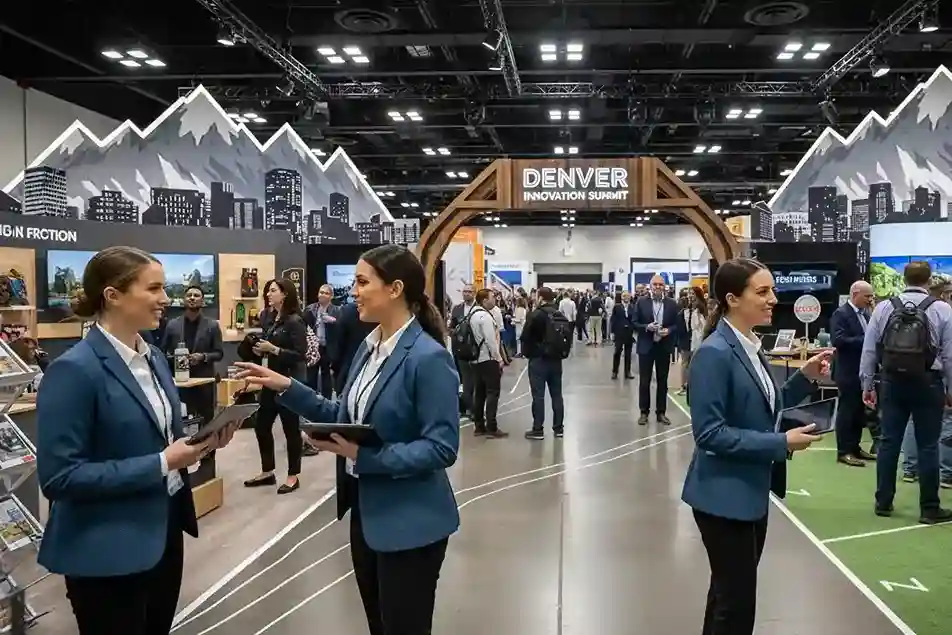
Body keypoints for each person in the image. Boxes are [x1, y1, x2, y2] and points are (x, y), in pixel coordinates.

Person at [235, 244, 459, 635]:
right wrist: (286, 386)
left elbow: (441, 447)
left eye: (360, 281)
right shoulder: (368, 350)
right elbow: (343, 416)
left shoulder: (428, 357)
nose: (351, 291)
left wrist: (365, 457)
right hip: (366, 515)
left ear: (394, 289)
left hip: (411, 522)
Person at [36, 246, 239, 635]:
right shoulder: (74, 371)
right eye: (155, 288)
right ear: (113, 295)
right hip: (107, 550)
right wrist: (163, 462)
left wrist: (203, 445)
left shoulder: (155, 358)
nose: (167, 299)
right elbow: (60, 477)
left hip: (163, 535)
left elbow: (163, 439)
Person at [681, 257, 830, 635]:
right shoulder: (714, 354)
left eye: (772, 290)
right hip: (722, 498)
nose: (772, 299)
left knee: (728, 596)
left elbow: (764, 404)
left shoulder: (749, 346)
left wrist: (804, 377)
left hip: (749, 491)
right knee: (736, 605)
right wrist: (781, 442)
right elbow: (710, 434)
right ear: (733, 298)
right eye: (762, 292)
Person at [860, 261, 952, 523]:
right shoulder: (943, 309)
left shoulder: (884, 307)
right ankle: (930, 508)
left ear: (904, 277)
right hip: (929, 382)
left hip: (891, 382)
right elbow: (949, 355)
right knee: (928, 445)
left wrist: (867, 384)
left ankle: (883, 502)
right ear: (929, 279)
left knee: (889, 442)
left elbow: (870, 349)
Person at [244, 278, 308, 495]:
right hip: (268, 381)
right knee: (261, 426)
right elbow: (267, 346)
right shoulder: (268, 318)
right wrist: (260, 350)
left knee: (291, 430)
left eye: (273, 291)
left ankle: (293, 476)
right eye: (267, 291)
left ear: (285, 294)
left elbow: (301, 355)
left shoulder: (295, 321)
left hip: (288, 383)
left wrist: (274, 350)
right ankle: (267, 471)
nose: (268, 294)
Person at [161, 285, 224, 426]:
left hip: (204, 381)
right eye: (189, 295)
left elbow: (219, 353)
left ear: (203, 301)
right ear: (184, 300)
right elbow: (163, 352)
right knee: (181, 423)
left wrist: (202, 356)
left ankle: (208, 448)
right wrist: (175, 359)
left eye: (196, 296)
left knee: (207, 424)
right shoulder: (172, 325)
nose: (192, 298)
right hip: (179, 382)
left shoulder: (212, 325)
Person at [830, 280, 876, 467]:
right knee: (846, 412)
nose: (870, 300)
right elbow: (838, 340)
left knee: (858, 413)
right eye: (867, 296)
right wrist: (867, 340)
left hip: (862, 372)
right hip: (847, 372)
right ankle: (844, 451)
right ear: (855, 293)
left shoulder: (865, 314)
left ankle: (855, 448)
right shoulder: (840, 314)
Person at [521, 287, 566, 439]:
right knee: (557, 395)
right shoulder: (559, 314)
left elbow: (525, 336)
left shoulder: (535, 315)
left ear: (540, 297)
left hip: (538, 359)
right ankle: (559, 428)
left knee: (538, 396)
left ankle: (538, 428)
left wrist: (528, 353)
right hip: (556, 359)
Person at [633, 275, 679, 425]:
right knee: (644, 381)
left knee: (662, 381)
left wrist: (669, 331)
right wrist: (647, 327)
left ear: (665, 286)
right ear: (650, 286)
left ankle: (661, 413)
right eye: (655, 284)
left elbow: (676, 325)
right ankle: (643, 413)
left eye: (661, 284)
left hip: (663, 347)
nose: (658, 287)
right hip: (646, 346)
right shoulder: (641, 302)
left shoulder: (672, 304)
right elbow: (634, 323)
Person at [470, 289, 508, 437]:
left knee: (479, 393)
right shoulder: (485, 317)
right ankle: (492, 426)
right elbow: (491, 340)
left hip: (475, 360)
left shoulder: (472, 315)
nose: (495, 300)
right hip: (488, 359)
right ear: (484, 300)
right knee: (493, 392)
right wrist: (499, 359)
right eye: (492, 298)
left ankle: (479, 426)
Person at [330, 300, 376, 396]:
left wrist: (336, 368)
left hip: (348, 370)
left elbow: (338, 345)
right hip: (373, 374)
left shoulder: (347, 311)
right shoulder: (382, 313)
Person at [303, 283, 340, 398]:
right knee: (311, 375)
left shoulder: (337, 310)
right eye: (321, 292)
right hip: (314, 347)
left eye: (326, 293)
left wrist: (334, 321)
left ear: (331, 296)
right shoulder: (310, 309)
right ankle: (311, 399)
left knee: (326, 375)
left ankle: (326, 400)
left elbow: (343, 327)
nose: (322, 295)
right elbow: (302, 325)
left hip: (327, 347)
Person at [449, 283, 478, 417]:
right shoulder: (457, 309)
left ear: (474, 293)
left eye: (469, 292)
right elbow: (451, 327)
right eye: (465, 291)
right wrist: (455, 333)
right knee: (464, 380)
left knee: (475, 381)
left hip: (477, 350)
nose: (466, 294)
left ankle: (474, 409)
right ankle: (466, 408)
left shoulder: (479, 309)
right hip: (460, 350)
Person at [676, 287, 707, 395]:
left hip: (699, 340)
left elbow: (703, 326)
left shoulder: (703, 309)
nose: (690, 296)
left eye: (692, 294)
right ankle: (683, 386)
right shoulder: (684, 309)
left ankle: (695, 387)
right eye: (689, 293)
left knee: (696, 364)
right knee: (684, 364)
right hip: (686, 340)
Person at [610, 291, 636, 380]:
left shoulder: (632, 307)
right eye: (624, 296)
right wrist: (612, 332)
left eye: (628, 296)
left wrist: (633, 329)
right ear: (621, 297)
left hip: (629, 333)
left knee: (628, 354)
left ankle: (627, 372)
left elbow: (634, 320)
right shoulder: (617, 307)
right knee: (617, 352)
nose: (626, 297)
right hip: (619, 333)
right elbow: (613, 320)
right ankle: (614, 371)